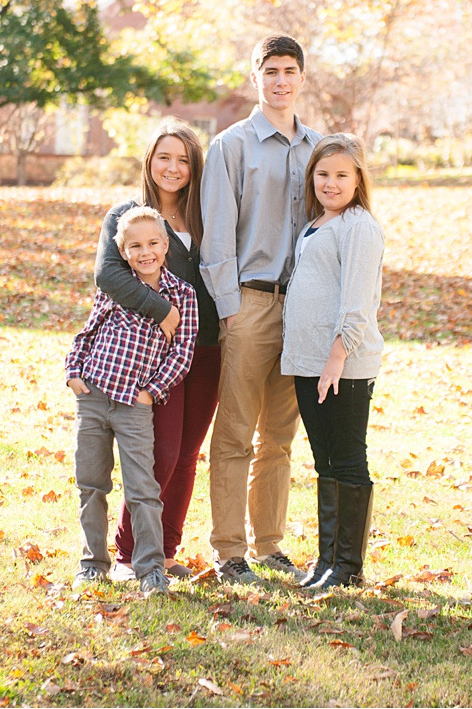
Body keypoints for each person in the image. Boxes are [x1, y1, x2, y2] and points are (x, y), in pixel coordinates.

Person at [200, 34, 323, 584]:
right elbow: (218, 235)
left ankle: (268, 544)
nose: (280, 80)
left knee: (279, 435)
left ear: (302, 77)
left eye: (289, 70)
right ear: (256, 77)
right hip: (249, 304)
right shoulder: (232, 146)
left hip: (303, 308)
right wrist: (229, 309)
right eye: (270, 70)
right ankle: (229, 551)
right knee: (233, 433)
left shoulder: (320, 148)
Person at [95, 119, 222, 582]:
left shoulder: (208, 216)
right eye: (164, 157)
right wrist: (162, 310)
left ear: (194, 168)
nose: (173, 167)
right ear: (149, 160)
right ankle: (130, 554)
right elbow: (108, 276)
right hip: (152, 353)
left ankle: (166, 551)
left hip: (206, 346)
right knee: (160, 452)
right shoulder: (126, 214)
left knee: (188, 453)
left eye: (183, 160)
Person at [66, 206, 198, 595]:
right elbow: (87, 333)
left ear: (166, 245)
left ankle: (150, 568)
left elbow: (182, 353)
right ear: (123, 252)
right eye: (135, 246)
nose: (145, 252)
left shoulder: (183, 296)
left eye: (153, 243)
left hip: (135, 406)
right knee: (91, 483)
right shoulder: (115, 288)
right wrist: (75, 373)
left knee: (143, 488)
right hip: (93, 394)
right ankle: (92, 563)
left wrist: (150, 393)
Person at [282, 134, 384, 589]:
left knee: (346, 459)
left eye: (342, 174)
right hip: (308, 361)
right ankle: (327, 562)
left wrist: (336, 357)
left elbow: (357, 301)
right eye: (323, 174)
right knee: (323, 461)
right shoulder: (315, 224)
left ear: (358, 178)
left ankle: (348, 568)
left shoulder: (359, 225)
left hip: (342, 364)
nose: (331, 182)